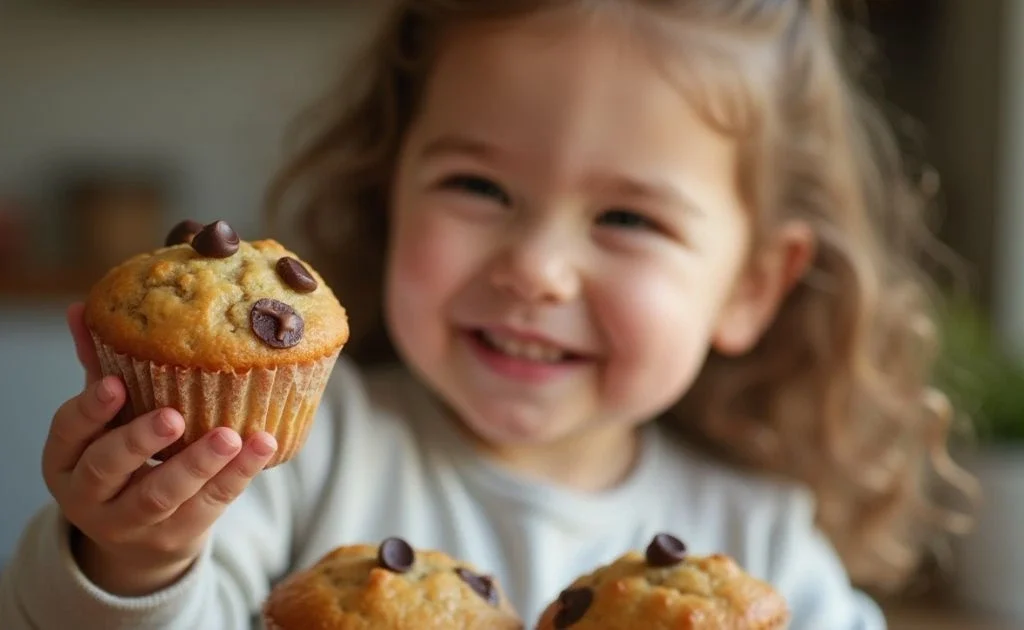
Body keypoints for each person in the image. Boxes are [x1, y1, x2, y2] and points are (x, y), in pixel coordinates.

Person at [0, 1, 977, 628]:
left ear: (753, 284)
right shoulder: (281, 466)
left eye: (627, 217)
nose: (537, 269)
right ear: (391, 193)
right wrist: (135, 555)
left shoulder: (759, 543)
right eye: (478, 186)